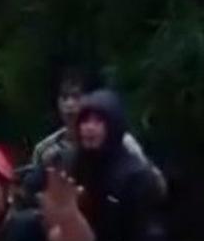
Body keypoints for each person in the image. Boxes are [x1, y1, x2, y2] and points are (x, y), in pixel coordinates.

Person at [65, 89, 164, 241]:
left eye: (98, 121)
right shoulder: (72, 165)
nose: (89, 127)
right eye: (85, 121)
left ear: (113, 126)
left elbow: (149, 236)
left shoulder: (136, 175)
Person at [31, 69, 165, 195]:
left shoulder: (123, 142)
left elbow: (156, 185)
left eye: (76, 97)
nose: (69, 104)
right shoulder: (46, 149)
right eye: (64, 97)